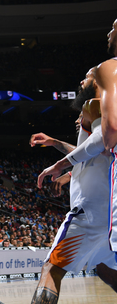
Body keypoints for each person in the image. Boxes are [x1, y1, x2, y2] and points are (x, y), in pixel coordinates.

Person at [32, 69, 117, 302]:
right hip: (112, 213)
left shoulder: (95, 104)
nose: (82, 80)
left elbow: (98, 141)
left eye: (89, 76)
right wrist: (56, 145)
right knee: (107, 271)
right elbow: (95, 151)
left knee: (52, 269)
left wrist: (59, 166)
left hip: (93, 211)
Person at [92, 19, 117, 255]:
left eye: (113, 28)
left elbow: (112, 124)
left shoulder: (109, 67)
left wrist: (109, 146)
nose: (109, 32)